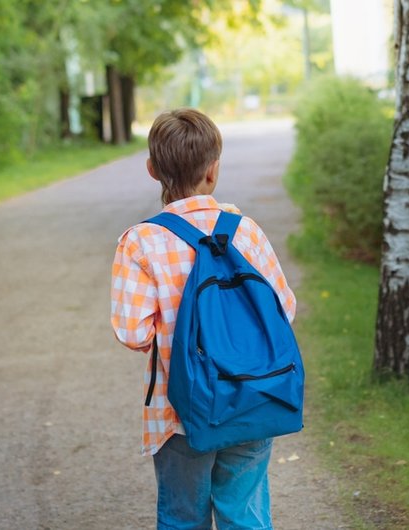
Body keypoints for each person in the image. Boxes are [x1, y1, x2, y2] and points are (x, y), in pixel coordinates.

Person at [110, 108, 296, 529]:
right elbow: (284, 306)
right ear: (213, 170)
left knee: (181, 516)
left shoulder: (140, 241)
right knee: (245, 513)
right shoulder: (245, 230)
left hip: (179, 410)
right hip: (251, 396)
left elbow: (133, 331)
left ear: (152, 170)